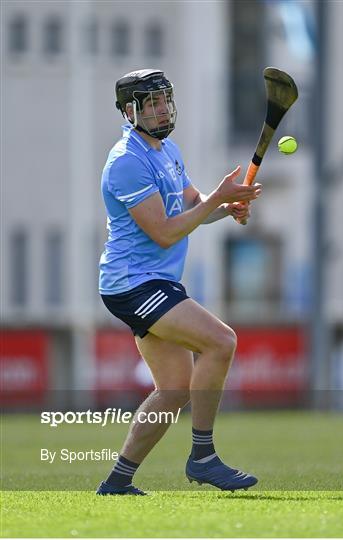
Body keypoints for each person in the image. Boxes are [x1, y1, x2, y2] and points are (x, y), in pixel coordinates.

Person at [97, 69, 262, 495]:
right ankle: (203, 457)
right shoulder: (127, 162)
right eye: (149, 103)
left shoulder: (168, 151)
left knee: (172, 390)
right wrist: (219, 198)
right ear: (128, 112)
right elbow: (166, 231)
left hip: (152, 281)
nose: (160, 109)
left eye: (164, 100)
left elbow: (193, 206)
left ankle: (116, 482)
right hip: (133, 283)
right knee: (220, 341)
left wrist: (228, 207)